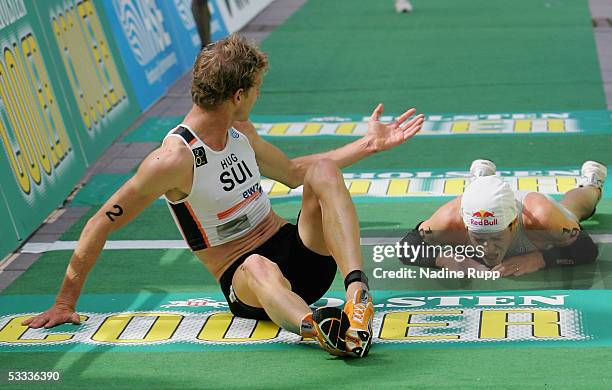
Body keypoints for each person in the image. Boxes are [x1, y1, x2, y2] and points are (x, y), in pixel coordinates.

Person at [23, 34, 424, 357]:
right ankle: (322, 330)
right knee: (256, 264)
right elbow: (100, 222)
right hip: (249, 281)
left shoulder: (241, 133)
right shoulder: (171, 160)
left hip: (300, 257)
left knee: (323, 169)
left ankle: (356, 292)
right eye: (256, 90)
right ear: (237, 95)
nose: (258, 97)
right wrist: (64, 300)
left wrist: (369, 145)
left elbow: (295, 174)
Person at [399, 159, 606, 276]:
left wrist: (539, 259)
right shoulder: (449, 221)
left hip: (533, 208)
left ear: (514, 223)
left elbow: (586, 248)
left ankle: (591, 184)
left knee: (573, 209)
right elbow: (406, 247)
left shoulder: (541, 219)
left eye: (496, 237)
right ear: (466, 225)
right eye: (479, 238)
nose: (488, 248)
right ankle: (481, 180)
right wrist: (446, 259)